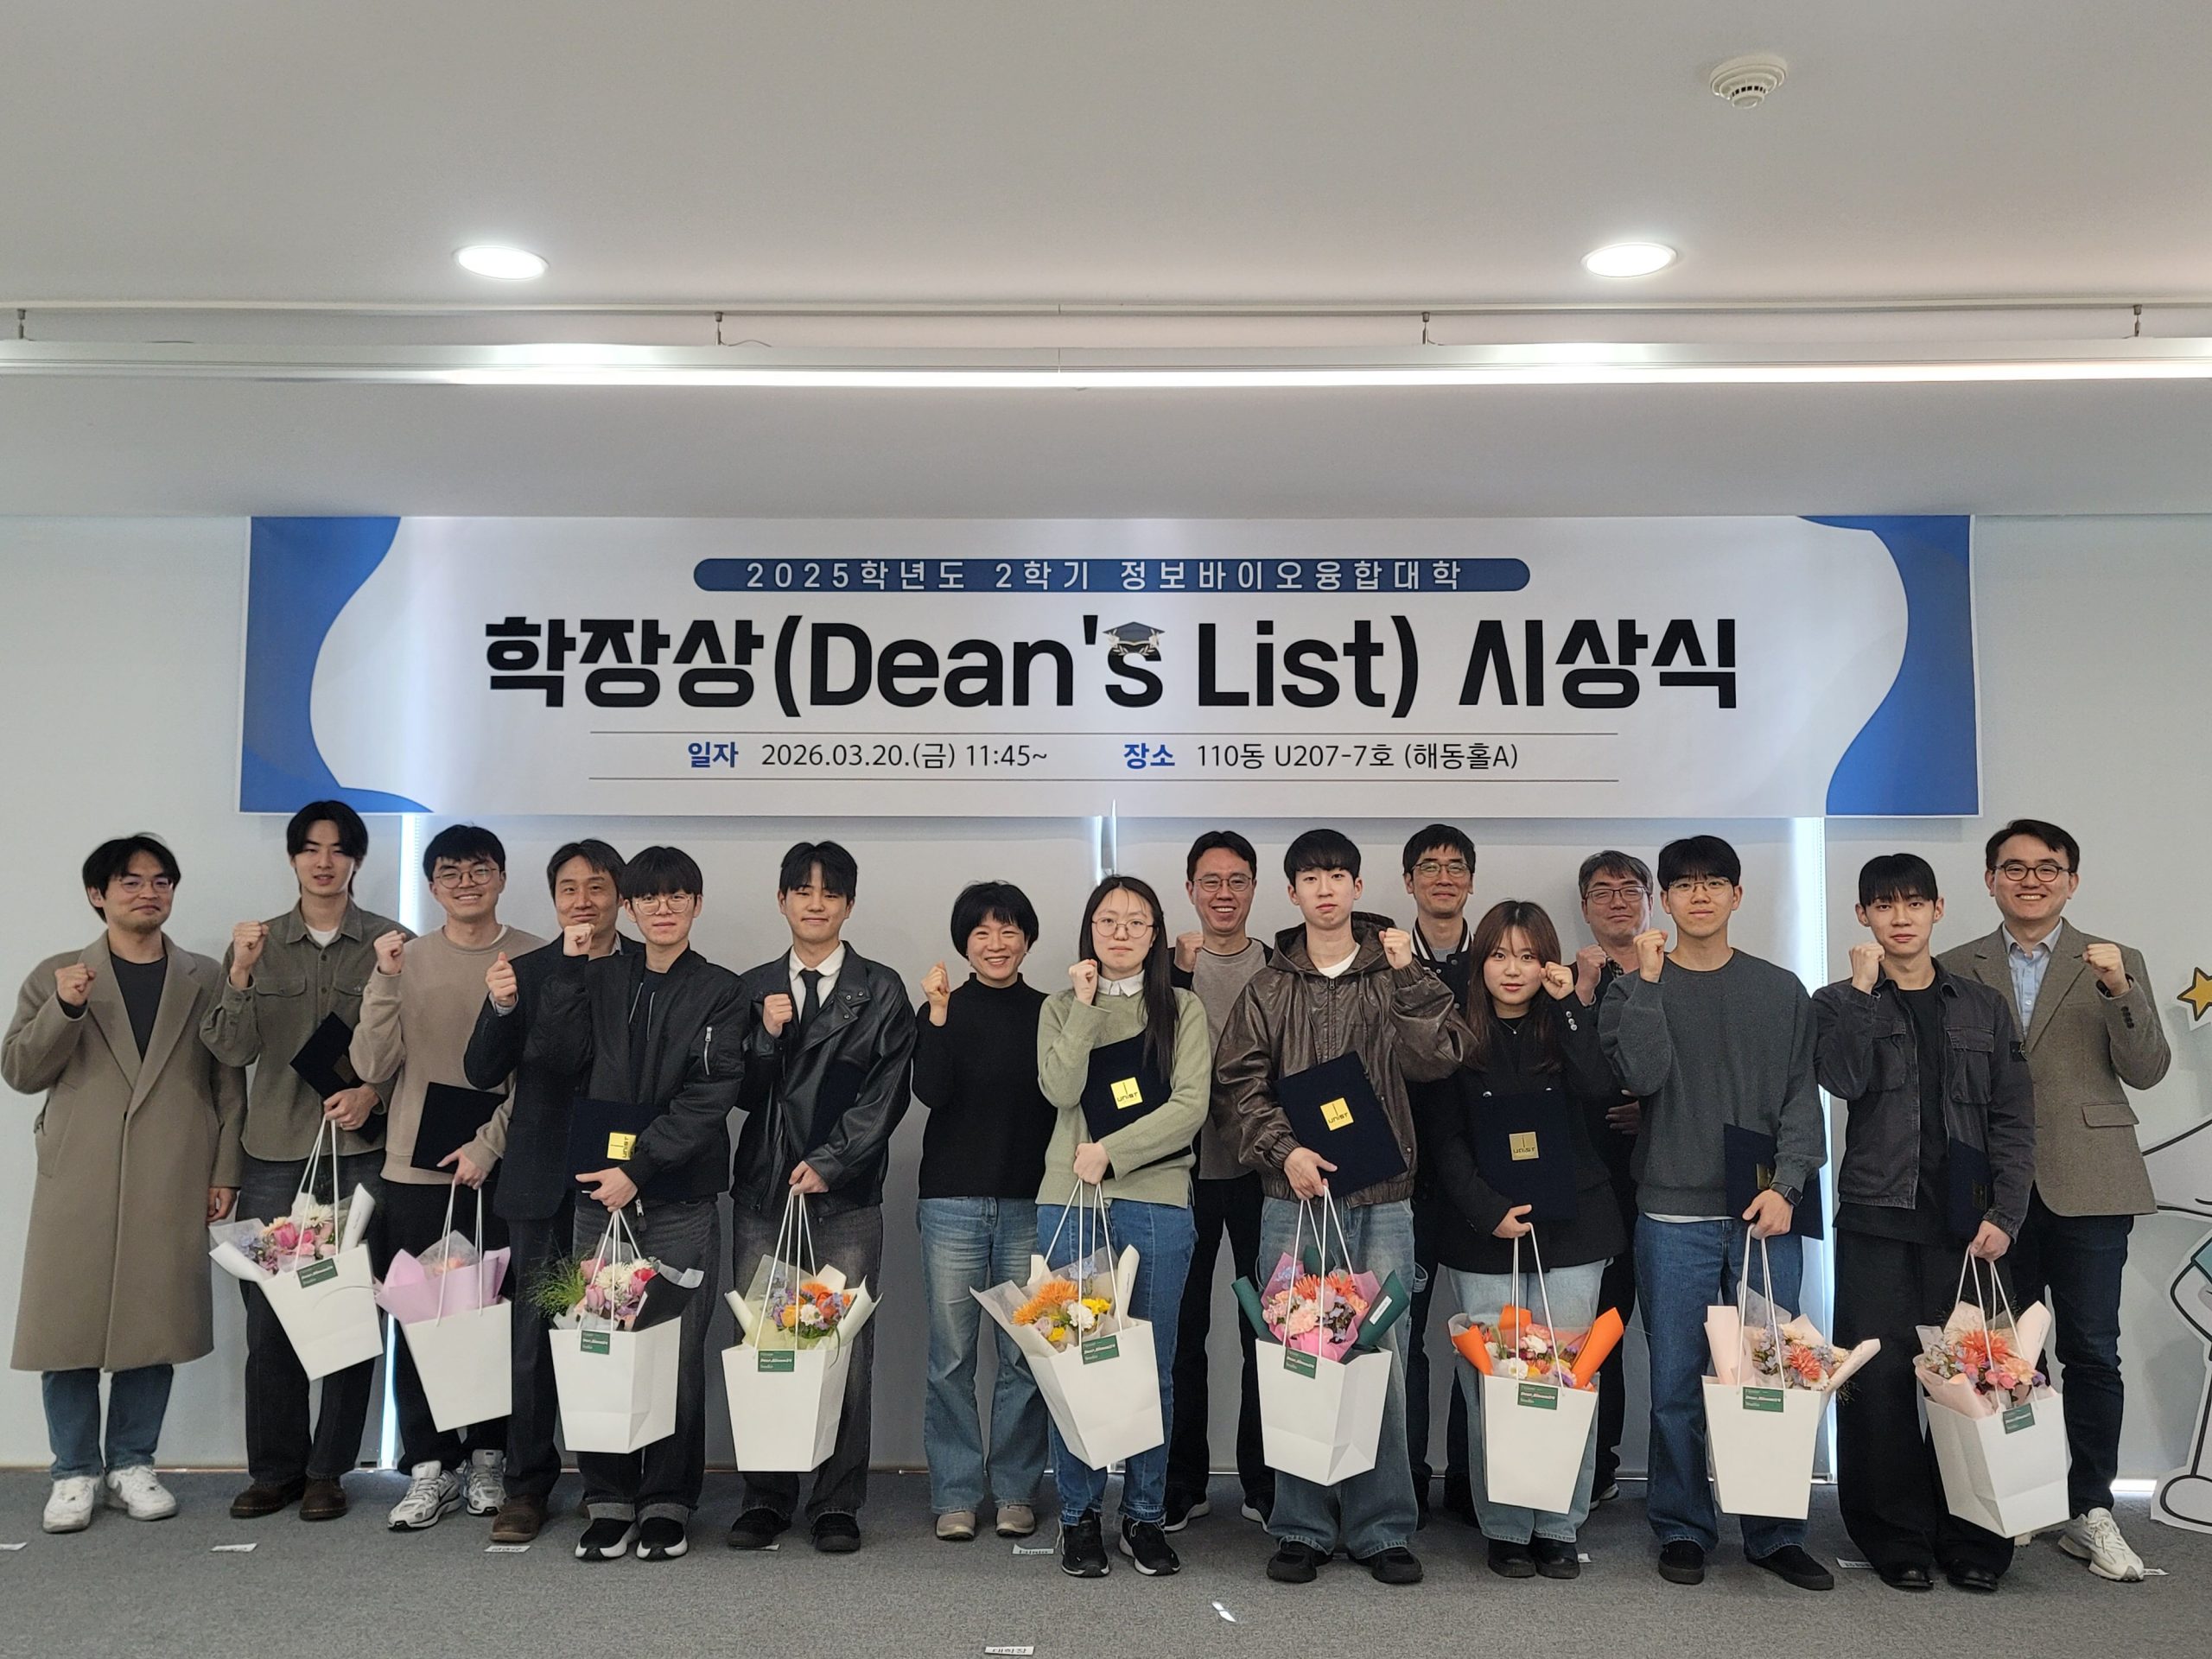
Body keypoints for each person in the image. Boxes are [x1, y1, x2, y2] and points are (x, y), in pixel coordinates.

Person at [1216, 828, 1470, 1588]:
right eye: (1310, 878)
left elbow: (1439, 1058)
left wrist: (1411, 977)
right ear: (1292, 893)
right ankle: (1300, 1525)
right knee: (1299, 1357)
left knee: (1379, 1363)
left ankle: (1382, 1527)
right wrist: (1283, 1151)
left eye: (1337, 876)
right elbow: (1238, 1085)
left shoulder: (1395, 971)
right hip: (1291, 1197)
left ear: (1358, 888)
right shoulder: (1269, 986)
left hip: (1384, 1199)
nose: (1324, 889)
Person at [1940, 817, 2171, 1581]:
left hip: (2091, 1180)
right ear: (1990, 880)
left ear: (2072, 881)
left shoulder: (2114, 961)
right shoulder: (1956, 965)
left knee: (2091, 1350)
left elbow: (2147, 1069)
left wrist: (2120, 991)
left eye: (2047, 868)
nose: (2030, 880)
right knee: (2002, 1356)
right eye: (2014, 868)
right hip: (1991, 1189)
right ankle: (2016, 1498)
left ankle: (2091, 1507)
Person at [1599, 834, 1832, 1592]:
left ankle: (1773, 1532)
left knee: (1772, 1378)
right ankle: (1682, 1526)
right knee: (1676, 1380)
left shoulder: (1781, 989)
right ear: (1664, 901)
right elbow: (1641, 1074)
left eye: (1714, 883)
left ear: (1737, 895)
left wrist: (1789, 1185)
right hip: (1673, 1215)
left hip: (1767, 1213)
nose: (1699, 896)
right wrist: (1649, 980)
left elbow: (1802, 1097)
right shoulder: (1632, 988)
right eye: (1684, 885)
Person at [6, 836, 246, 1535]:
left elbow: (228, 1083)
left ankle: (133, 1463)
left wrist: (224, 1171)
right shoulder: (58, 973)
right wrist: (64, 1008)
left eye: (161, 880)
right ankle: (74, 1470)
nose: (149, 892)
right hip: (80, 1172)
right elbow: (20, 1070)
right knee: (67, 1323)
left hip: (172, 1167)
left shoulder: (202, 976)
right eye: (131, 881)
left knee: (153, 1318)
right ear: (98, 894)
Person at [1816, 853, 2035, 1593]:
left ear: (1939, 909)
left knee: (1974, 1380)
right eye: (1884, 905)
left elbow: (2014, 1116)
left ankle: (1976, 1537)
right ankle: (1895, 1536)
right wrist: (1860, 993)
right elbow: (1841, 1080)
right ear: (1863, 916)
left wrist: (2007, 1212)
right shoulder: (1838, 1000)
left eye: (1914, 903)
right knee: (1878, 1384)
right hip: (1878, 1215)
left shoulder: (1981, 1005)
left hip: (1969, 1224)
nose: (1900, 917)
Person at [528, 845, 745, 1564]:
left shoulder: (720, 990)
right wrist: (567, 972)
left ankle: (667, 1501)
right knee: (602, 1344)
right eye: (648, 897)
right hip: (599, 1199)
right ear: (629, 907)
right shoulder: (599, 977)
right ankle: (608, 1498)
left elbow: (710, 1095)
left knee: (673, 1356)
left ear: (697, 905)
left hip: (678, 1198)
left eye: (677, 896)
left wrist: (640, 1168)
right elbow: (555, 1060)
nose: (663, 908)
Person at [200, 800, 402, 1522]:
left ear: (356, 860)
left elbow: (414, 1049)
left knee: (347, 1312)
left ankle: (327, 1471)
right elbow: (230, 1050)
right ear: (292, 858)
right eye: (311, 848)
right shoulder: (257, 945)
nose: (324, 861)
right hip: (273, 1156)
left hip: (360, 1154)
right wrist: (241, 974)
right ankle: (275, 1471)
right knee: (269, 1318)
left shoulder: (389, 942)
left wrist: (373, 1094)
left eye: (338, 849)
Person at [1418, 900, 1625, 1578]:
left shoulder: (1565, 1022)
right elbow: (1445, 1140)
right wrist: (1489, 1210)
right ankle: (1506, 1526)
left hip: (1575, 1226)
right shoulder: (1455, 1032)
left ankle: (1558, 1525)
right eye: (1500, 955)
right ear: (1481, 962)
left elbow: (1600, 1087)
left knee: (1567, 1378)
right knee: (1497, 1384)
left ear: (1548, 964)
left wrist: (1570, 1006)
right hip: (1485, 1231)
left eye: (1529, 956)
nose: (1514, 970)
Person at [349, 824, 543, 1531]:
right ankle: (429, 1463)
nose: (467, 882)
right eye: (451, 872)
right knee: (422, 1318)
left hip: (505, 1166)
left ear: (502, 877)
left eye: (480, 869)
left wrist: (489, 1144)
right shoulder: (404, 958)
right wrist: (384, 979)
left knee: (496, 1319)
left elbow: (540, 1074)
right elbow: (372, 1065)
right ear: (432, 885)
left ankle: (490, 1455)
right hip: (416, 1166)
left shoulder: (533, 957)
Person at [727, 842, 916, 1556]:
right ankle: (766, 1495)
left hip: (844, 1195)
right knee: (766, 1342)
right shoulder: (752, 988)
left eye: (830, 892)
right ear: (781, 900)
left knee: (844, 1349)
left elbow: (887, 1095)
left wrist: (832, 1163)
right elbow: (735, 1093)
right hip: (765, 1189)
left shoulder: (881, 989)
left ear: (849, 905)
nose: (815, 903)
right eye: (802, 891)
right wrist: (764, 1038)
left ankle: (837, 1500)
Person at [1034, 874, 1212, 1580]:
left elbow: (1192, 1105)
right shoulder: (1059, 1006)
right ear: (1090, 930)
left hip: (1157, 1198)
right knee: (1075, 1363)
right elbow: (1059, 1090)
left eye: (1137, 922)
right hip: (1070, 1200)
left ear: (1155, 935)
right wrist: (1083, 1007)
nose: (1122, 932)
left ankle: (1143, 1515)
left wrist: (1113, 1151)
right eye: (1108, 920)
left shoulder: (1182, 1008)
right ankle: (1078, 1516)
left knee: (1150, 1365)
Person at [465, 837, 630, 1543]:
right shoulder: (525, 971)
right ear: (553, 897)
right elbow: (481, 1071)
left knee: (608, 1333)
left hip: (615, 1180)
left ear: (619, 895)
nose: (582, 901)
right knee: (532, 1339)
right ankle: (527, 1485)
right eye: (569, 888)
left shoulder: (642, 968)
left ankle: (607, 1483)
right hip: (537, 1178)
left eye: (597, 887)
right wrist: (501, 1008)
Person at [912, 880, 1054, 1544]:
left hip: (1030, 1202)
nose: (996, 944)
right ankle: (957, 1493)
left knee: (1024, 1355)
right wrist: (938, 1015)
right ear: (964, 943)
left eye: (1008, 930)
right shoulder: (942, 1008)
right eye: (981, 933)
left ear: (1026, 938)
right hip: (952, 1203)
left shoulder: (1049, 1011)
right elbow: (930, 1091)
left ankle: (1017, 1491)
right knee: (952, 1357)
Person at [1164, 830, 1275, 1532]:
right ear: (1190, 890)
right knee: (1182, 1333)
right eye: (1211, 881)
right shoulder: (1167, 967)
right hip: (1183, 1175)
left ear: (1255, 888)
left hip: (1264, 1173)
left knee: (1268, 1330)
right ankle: (1183, 1483)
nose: (1224, 893)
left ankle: (1265, 1484)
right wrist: (1175, 976)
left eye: (1237, 880)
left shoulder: (1279, 966)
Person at [1399, 824, 1478, 1524]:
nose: (1443, 878)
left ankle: (1472, 1482)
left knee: (1484, 1337)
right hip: (1409, 1180)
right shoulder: (1386, 963)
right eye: (1429, 867)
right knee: (1407, 1338)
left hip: (1486, 1183)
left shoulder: (1498, 959)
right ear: (1409, 883)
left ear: (1471, 882)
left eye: (1456, 867)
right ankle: (1408, 1480)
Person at [1572, 849, 1653, 1503]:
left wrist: (1651, 1112)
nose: (1618, 901)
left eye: (1631, 890)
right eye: (1603, 892)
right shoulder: (1570, 982)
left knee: (1680, 1335)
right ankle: (1594, 1465)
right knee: (1601, 1327)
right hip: (1594, 1180)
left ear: (1651, 901)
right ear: (1585, 907)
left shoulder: (1678, 974)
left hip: (1672, 1176)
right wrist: (1580, 994)